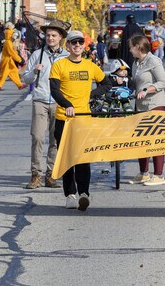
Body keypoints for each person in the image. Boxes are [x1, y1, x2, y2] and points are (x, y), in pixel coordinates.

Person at [49, 30, 112, 211]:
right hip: (64, 118)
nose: (77, 45)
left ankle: (84, 193)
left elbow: (107, 84)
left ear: (84, 46)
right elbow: (54, 90)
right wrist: (66, 104)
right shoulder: (59, 65)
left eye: (80, 42)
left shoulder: (90, 65)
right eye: (73, 42)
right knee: (67, 157)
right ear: (67, 46)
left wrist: (91, 95)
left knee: (83, 157)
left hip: (84, 118)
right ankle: (70, 194)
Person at [21, 20, 70, 190]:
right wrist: (34, 71)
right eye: (48, 35)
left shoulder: (67, 56)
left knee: (55, 140)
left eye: (54, 35)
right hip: (40, 99)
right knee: (37, 137)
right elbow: (24, 78)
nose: (50, 38)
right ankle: (36, 175)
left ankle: (51, 174)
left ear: (60, 37)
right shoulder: (37, 54)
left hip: (59, 101)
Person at [127, 35, 165, 186]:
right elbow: (136, 82)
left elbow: (163, 82)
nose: (130, 50)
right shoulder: (136, 63)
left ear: (138, 47)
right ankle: (144, 173)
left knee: (156, 139)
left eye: (131, 46)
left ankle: (159, 175)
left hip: (154, 104)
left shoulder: (153, 61)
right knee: (141, 139)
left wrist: (147, 90)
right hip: (141, 106)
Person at [0, 23, 27, 91]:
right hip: (7, 61)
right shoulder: (8, 42)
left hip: (8, 61)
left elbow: (12, 52)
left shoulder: (8, 42)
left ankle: (19, 85)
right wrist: (19, 60)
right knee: (4, 74)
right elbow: (12, 53)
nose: (14, 36)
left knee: (14, 72)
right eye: (12, 35)